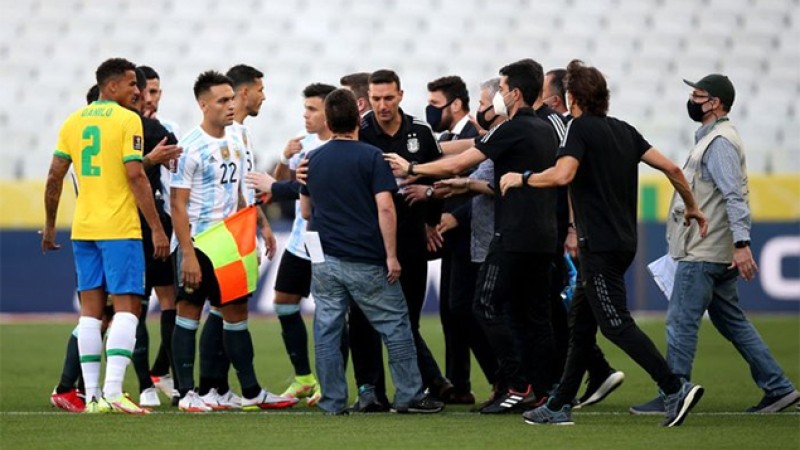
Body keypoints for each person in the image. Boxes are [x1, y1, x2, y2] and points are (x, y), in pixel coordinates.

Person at [503, 60, 707, 427]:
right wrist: (692, 207)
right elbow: (673, 169)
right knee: (580, 325)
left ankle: (674, 387)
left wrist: (524, 177)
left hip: (597, 246)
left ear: (572, 97)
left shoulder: (577, 130)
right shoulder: (625, 130)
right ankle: (559, 404)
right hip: (625, 242)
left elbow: (563, 174)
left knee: (614, 325)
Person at [385, 59, 560, 414]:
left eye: (501, 89)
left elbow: (458, 161)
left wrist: (412, 168)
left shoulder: (510, 128)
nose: (494, 100)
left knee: (484, 305)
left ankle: (515, 384)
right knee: (534, 316)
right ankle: (543, 392)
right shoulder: (545, 130)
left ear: (514, 93)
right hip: (543, 235)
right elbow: (499, 180)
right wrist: (468, 186)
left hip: (510, 236)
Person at [630, 74, 800, 415]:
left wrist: (741, 243)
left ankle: (674, 393)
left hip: (705, 249)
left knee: (680, 321)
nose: (692, 100)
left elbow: (734, 196)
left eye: (699, 95)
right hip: (711, 248)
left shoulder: (719, 142)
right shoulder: (711, 138)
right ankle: (779, 388)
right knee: (732, 321)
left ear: (716, 103)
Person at [299, 88, 444, 415]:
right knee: (395, 323)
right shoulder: (371, 157)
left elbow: (306, 210)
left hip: (324, 258)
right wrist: (391, 255)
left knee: (327, 329)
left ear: (328, 119)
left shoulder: (312, 160)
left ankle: (333, 401)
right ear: (357, 119)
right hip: (363, 257)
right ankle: (409, 394)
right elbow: (386, 209)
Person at [42, 57, 170, 414]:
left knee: (90, 312)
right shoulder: (128, 120)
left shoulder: (73, 121)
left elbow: (54, 177)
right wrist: (158, 229)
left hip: (84, 229)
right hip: (119, 228)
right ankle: (114, 391)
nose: (137, 91)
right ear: (110, 86)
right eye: (131, 84)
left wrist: (51, 225)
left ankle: (92, 396)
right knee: (128, 308)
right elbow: (136, 176)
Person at [169, 70, 297, 413]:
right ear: (203, 104)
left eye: (231, 98)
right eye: (222, 100)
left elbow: (242, 195)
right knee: (189, 313)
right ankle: (187, 394)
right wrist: (187, 255)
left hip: (230, 241)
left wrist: (254, 231)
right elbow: (177, 205)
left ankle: (251, 391)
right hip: (199, 240)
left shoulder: (239, 138)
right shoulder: (189, 147)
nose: (230, 105)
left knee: (236, 313)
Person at [350, 69, 450, 411]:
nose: (382, 105)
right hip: (367, 240)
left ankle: (414, 390)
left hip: (409, 239)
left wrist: (431, 221)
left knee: (407, 317)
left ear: (401, 96)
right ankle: (370, 391)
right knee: (363, 318)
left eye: (388, 98)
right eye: (376, 99)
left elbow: (440, 177)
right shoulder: (359, 131)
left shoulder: (421, 132)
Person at [423, 75, 493, 405]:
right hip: (450, 235)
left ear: (456, 105)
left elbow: (480, 188)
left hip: (470, 233)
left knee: (465, 309)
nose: (430, 111)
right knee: (451, 313)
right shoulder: (450, 137)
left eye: (435, 105)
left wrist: (455, 217)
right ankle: (459, 384)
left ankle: (502, 378)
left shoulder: (475, 138)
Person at [266, 82, 336, 405]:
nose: (306, 115)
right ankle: (304, 378)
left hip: (325, 240)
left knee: (330, 311)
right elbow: (279, 185)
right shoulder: (302, 143)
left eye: (312, 109)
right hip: (298, 240)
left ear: (329, 112)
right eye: (305, 109)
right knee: (283, 303)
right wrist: (283, 156)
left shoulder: (339, 146)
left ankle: (328, 382)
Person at [138, 64, 181, 403]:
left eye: (156, 93)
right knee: (122, 309)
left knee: (172, 302)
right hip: (125, 227)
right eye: (146, 93)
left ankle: (162, 373)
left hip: (164, 224)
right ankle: (76, 383)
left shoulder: (167, 130)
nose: (151, 99)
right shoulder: (125, 130)